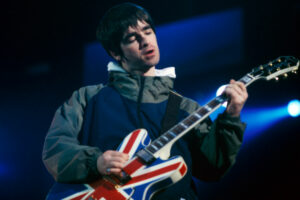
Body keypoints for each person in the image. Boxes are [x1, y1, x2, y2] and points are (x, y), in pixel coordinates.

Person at [42, 3, 248, 200]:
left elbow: (212, 169)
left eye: (148, 31)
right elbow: (56, 150)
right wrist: (96, 162)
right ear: (115, 52)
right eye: (132, 38)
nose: (146, 41)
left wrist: (231, 117)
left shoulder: (186, 108)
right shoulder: (86, 98)